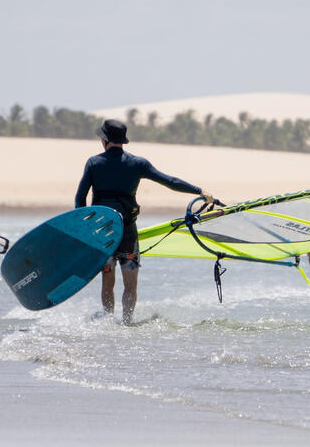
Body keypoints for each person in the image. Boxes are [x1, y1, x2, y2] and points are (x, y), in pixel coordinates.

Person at [75, 119, 214, 324]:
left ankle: (107, 323)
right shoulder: (137, 164)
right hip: (127, 234)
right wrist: (200, 191)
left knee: (107, 282)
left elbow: (80, 199)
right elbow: (170, 181)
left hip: (103, 234)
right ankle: (127, 323)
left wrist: (86, 228)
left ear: (104, 139)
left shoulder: (93, 163)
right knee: (130, 285)